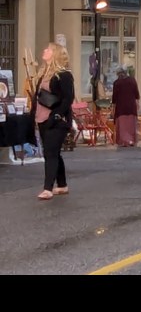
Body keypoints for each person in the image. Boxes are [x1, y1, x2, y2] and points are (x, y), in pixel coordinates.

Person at [32, 43, 75, 200]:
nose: (44, 50)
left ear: (55, 54)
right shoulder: (44, 73)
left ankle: (47, 188)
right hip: (42, 118)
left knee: (50, 153)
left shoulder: (63, 75)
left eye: (48, 49)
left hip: (57, 120)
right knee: (53, 152)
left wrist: (56, 115)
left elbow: (67, 99)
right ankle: (62, 185)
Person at [111, 66, 139, 147]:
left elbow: (114, 97)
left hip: (121, 107)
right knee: (131, 124)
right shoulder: (132, 80)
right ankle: (131, 140)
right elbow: (136, 93)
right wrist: (137, 102)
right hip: (131, 106)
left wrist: (113, 107)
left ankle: (124, 141)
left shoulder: (117, 83)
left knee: (123, 125)